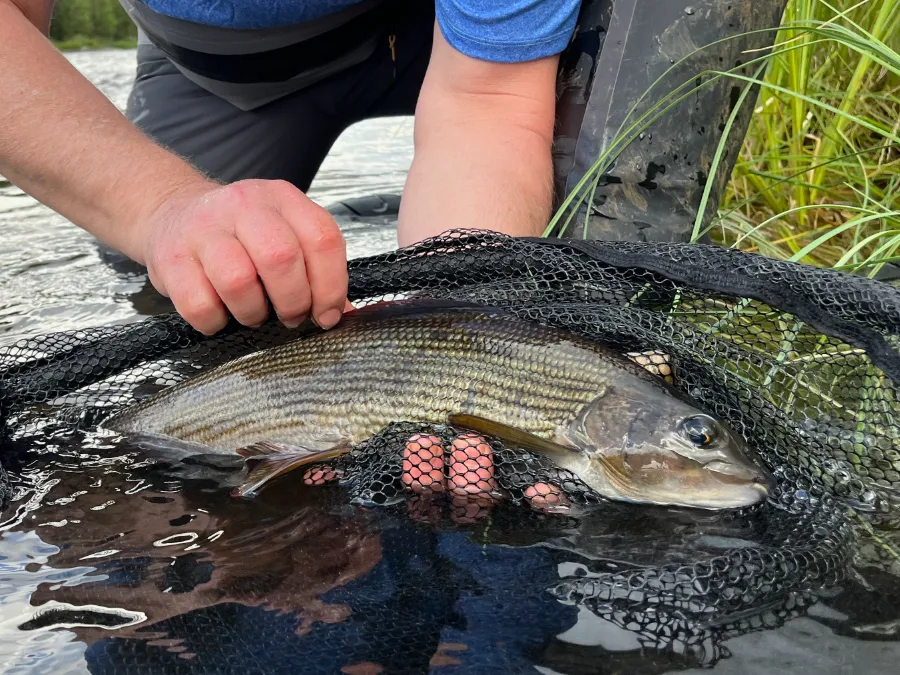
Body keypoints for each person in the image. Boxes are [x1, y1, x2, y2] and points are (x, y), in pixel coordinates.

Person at [1, 0, 577, 337]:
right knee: (179, 277)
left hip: (480, 49)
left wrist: (456, 320)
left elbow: (488, 103)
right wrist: (159, 206)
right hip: (231, 66)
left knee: (512, 290)